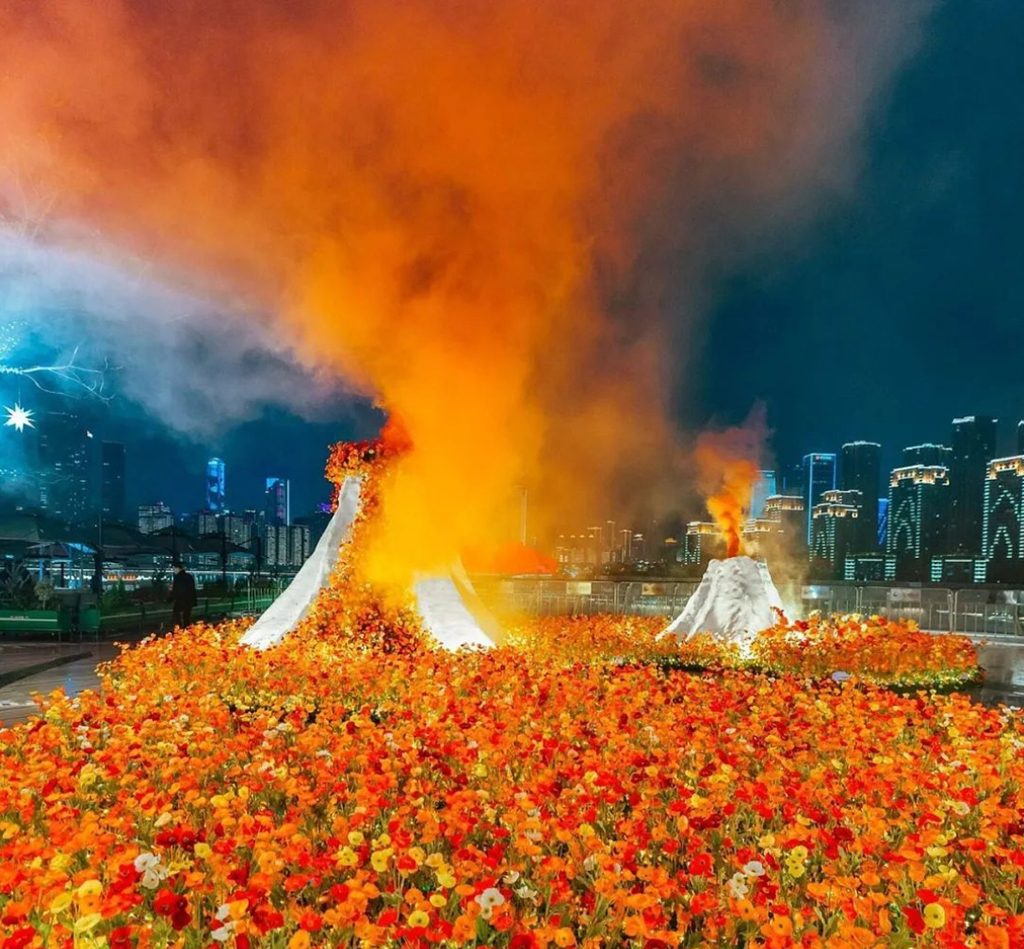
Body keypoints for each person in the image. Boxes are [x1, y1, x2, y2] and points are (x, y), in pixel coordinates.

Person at [169, 562, 198, 628]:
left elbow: (176, 590)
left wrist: (170, 599)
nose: (173, 571)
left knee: (176, 612)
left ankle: (179, 628)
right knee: (186, 616)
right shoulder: (189, 576)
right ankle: (186, 629)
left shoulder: (178, 578)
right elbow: (192, 589)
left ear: (178, 568)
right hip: (189, 600)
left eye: (174, 569)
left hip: (181, 600)